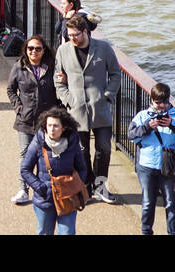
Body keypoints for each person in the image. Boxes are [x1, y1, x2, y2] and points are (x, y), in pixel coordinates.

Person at [54, 13, 120, 203]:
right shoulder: (63, 51)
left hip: (100, 108)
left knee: (104, 149)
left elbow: (115, 74)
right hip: (76, 110)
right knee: (81, 151)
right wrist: (68, 100)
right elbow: (58, 80)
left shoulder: (104, 48)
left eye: (75, 35)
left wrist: (108, 96)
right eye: (69, 35)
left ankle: (100, 185)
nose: (71, 39)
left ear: (85, 31)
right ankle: (85, 186)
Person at [128, 83, 175, 235]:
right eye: (158, 102)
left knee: (171, 203)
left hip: (169, 166)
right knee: (147, 203)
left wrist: (173, 125)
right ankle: (146, 232)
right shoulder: (143, 116)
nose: (162, 106)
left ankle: (173, 232)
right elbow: (131, 135)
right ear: (152, 100)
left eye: (165, 102)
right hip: (147, 165)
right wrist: (147, 127)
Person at [20, 106, 89, 236]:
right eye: (49, 125)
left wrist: (76, 187)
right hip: (45, 199)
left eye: (56, 126)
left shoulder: (73, 142)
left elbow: (82, 168)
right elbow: (25, 170)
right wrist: (41, 188)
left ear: (63, 127)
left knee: (67, 232)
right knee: (44, 232)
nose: (52, 129)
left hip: (68, 197)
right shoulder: (38, 142)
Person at [7, 35, 58, 204]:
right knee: (25, 154)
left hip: (46, 120)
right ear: (26, 50)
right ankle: (23, 189)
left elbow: (60, 89)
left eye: (38, 48)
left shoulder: (52, 67)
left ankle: (46, 188)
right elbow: (11, 90)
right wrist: (19, 107)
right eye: (30, 48)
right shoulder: (19, 67)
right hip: (26, 119)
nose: (34, 52)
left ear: (44, 50)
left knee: (47, 154)